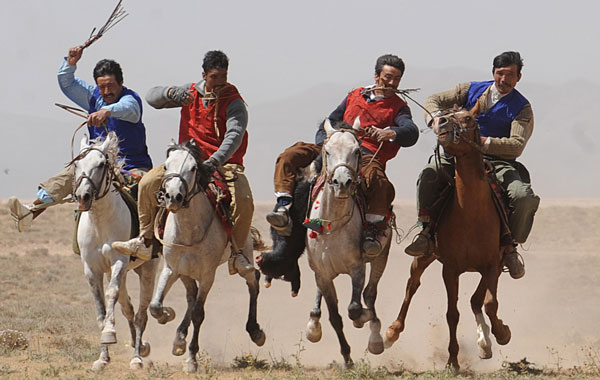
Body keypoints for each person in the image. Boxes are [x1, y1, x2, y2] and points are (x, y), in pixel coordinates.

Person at [112, 50, 254, 271]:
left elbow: (233, 137)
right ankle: (144, 240)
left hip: (223, 164)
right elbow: (151, 96)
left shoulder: (233, 101)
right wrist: (171, 93)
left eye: (223, 76)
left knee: (244, 199)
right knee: (148, 183)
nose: (219, 82)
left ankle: (237, 254)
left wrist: (214, 161)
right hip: (185, 160)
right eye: (214, 77)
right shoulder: (190, 92)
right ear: (204, 75)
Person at [266, 54, 419, 257]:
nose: (392, 83)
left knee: (380, 182)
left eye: (397, 79)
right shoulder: (355, 95)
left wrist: (389, 132)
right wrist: (326, 143)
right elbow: (331, 120)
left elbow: (411, 131)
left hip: (365, 154)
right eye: (388, 77)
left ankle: (371, 233)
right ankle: (283, 207)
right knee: (290, 155)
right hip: (335, 146)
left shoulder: (399, 107)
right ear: (376, 75)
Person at [404, 51, 540, 280]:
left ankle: (509, 247)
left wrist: (482, 142)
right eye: (500, 74)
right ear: (493, 73)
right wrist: (436, 119)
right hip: (458, 155)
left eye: (510, 75)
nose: (504, 80)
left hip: (497, 162)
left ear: (519, 77)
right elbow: (433, 100)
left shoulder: (522, 108)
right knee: (429, 174)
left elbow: (516, 145)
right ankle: (426, 231)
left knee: (522, 196)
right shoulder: (469, 89)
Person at [8, 46, 152, 232]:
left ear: (121, 83)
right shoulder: (93, 96)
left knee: (146, 189)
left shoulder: (131, 99)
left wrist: (106, 111)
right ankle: (30, 211)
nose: (106, 91)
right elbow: (67, 84)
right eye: (102, 87)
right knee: (69, 175)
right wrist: (70, 63)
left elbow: (128, 109)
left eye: (111, 86)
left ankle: (147, 239)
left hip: (132, 165)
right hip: (99, 164)